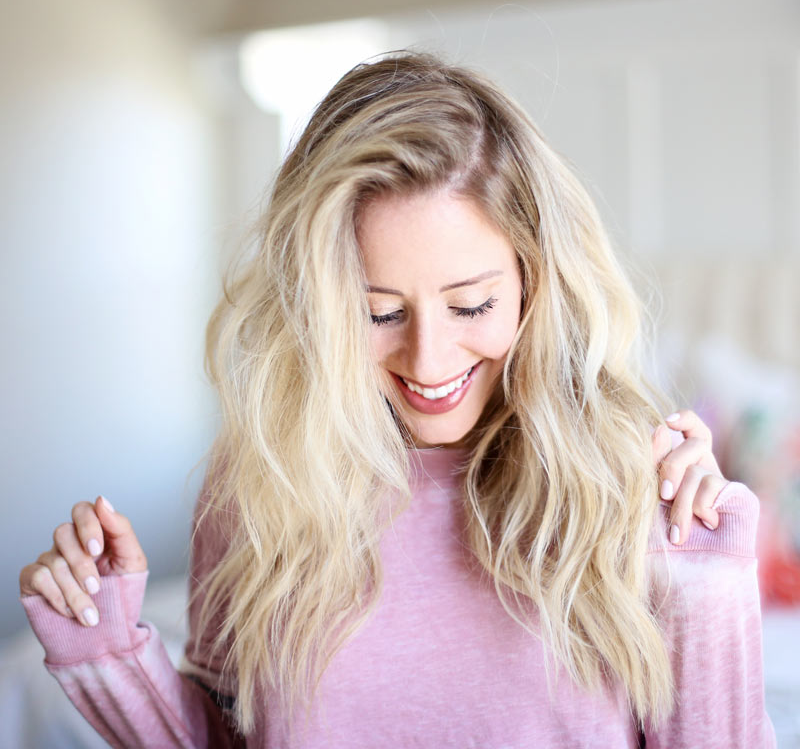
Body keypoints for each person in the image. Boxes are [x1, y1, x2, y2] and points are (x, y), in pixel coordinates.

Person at [19, 52, 775, 747]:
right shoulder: (263, 484)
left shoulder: (636, 489)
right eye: (378, 313)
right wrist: (105, 649)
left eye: (471, 305)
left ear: (536, 280)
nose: (429, 360)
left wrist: (706, 584)